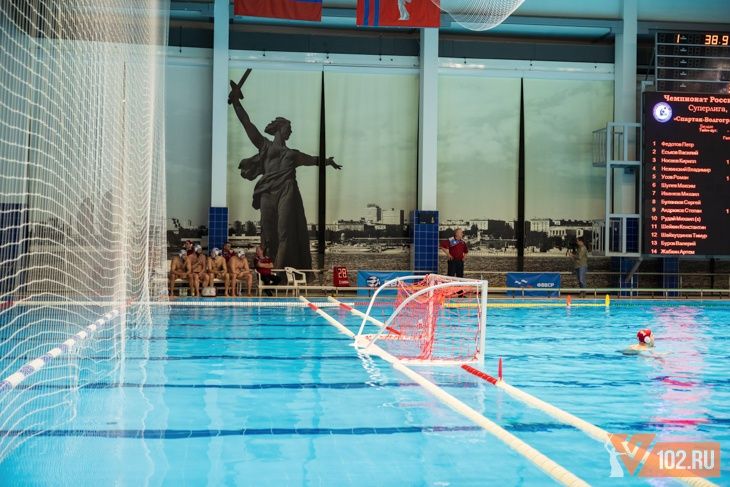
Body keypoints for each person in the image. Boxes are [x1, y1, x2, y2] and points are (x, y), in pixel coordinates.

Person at [228, 80, 342, 270]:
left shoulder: (293, 154)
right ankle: (267, 269)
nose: (291, 131)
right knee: (268, 233)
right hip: (267, 191)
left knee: (284, 232)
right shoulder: (264, 145)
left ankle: (279, 272)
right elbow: (247, 123)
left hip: (287, 191)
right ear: (280, 128)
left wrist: (328, 161)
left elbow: (313, 159)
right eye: (289, 128)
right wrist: (236, 102)